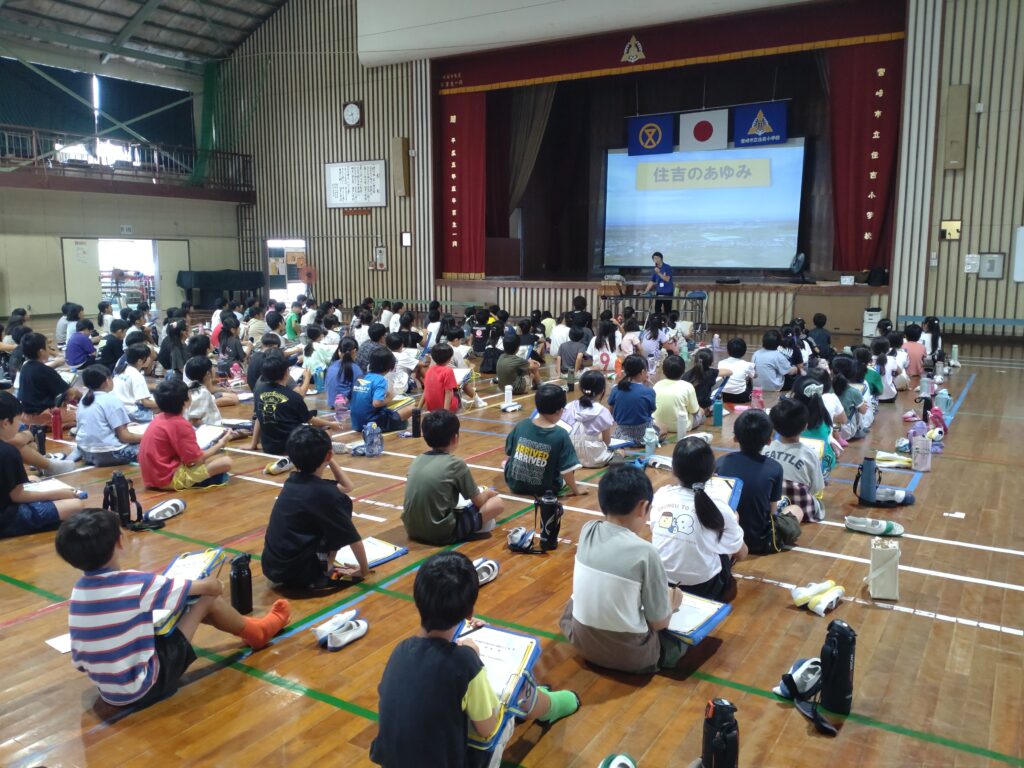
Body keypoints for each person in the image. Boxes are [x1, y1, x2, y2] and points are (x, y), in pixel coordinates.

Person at [57, 507, 291, 707]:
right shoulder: (136, 584)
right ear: (120, 541)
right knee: (205, 599)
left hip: (108, 691)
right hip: (146, 685)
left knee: (180, 603)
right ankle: (257, 632)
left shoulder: (78, 590)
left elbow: (80, 660)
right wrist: (214, 584)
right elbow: (206, 588)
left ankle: (251, 628)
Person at [371, 550, 579, 767]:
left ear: (417, 600)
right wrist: (472, 657)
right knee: (511, 697)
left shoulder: (400, 650)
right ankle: (546, 705)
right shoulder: (465, 663)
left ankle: (539, 702)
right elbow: (487, 729)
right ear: (469, 613)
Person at [560, 464, 685, 673]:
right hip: (632, 657)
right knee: (676, 643)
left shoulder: (587, 530)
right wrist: (672, 603)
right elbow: (659, 623)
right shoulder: (646, 552)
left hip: (580, 643)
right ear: (643, 507)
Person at [262, 426, 369, 588]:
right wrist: (363, 571)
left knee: (337, 502)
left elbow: (347, 486)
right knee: (344, 502)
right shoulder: (326, 494)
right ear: (329, 455)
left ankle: (325, 564)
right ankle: (327, 566)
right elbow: (354, 540)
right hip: (299, 575)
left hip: (272, 567)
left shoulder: (292, 482)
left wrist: (328, 455)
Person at [650, 437, 747, 602]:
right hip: (705, 588)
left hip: (661, 583)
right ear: (712, 471)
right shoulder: (719, 506)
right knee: (727, 532)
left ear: (674, 470)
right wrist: (734, 522)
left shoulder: (662, 495)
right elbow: (742, 553)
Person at [403, 410, 503, 545]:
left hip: (411, 529)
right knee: (497, 503)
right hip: (441, 533)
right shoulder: (456, 464)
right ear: (455, 438)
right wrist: (488, 493)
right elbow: (479, 501)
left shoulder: (417, 460)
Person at [0, 392, 84, 538]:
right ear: (6, 423)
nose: (20, 426)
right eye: (18, 421)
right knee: (76, 505)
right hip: (6, 518)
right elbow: (17, 496)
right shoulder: (8, 452)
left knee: (33, 479)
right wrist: (59, 493)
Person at [717, 410, 792, 555]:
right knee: (795, 510)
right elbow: (772, 513)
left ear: (735, 438)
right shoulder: (775, 468)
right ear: (769, 440)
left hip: (725, 540)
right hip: (759, 542)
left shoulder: (720, 462)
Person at [139, 378, 233, 490]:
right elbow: (196, 460)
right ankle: (199, 481)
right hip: (167, 480)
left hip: (151, 478)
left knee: (213, 456)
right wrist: (221, 443)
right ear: (185, 401)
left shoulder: (159, 418)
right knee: (226, 462)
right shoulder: (181, 424)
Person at [504, 384, 585, 497]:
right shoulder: (561, 434)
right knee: (570, 466)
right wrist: (576, 491)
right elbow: (567, 471)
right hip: (545, 489)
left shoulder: (522, 424)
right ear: (560, 411)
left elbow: (509, 452)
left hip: (514, 484)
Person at [251, 351, 339, 454]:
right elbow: (310, 420)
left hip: (269, 448)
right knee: (325, 429)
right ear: (286, 373)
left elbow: (258, 417)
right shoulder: (293, 396)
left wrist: (253, 444)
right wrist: (331, 424)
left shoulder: (258, 391)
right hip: (293, 446)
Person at [764, 398, 825, 522]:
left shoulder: (765, 449)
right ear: (805, 426)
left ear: (773, 426)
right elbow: (816, 488)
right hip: (802, 507)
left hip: (768, 504)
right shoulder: (810, 454)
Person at [75, 365, 143, 467]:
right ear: (107, 380)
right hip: (108, 454)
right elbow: (125, 437)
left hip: (84, 451)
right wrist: (147, 436)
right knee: (151, 447)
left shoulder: (85, 398)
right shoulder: (112, 400)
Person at [561, 370, 620, 467]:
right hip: (595, 458)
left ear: (581, 388)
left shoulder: (569, 406)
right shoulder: (602, 411)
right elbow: (607, 442)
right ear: (602, 390)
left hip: (571, 456)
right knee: (620, 451)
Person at [349, 348, 416, 433]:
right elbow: (376, 403)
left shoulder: (361, 377)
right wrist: (390, 398)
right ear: (389, 365)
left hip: (356, 423)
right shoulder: (381, 380)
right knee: (412, 409)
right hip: (372, 423)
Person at [18, 332, 77, 425]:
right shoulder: (45, 370)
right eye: (48, 347)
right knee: (82, 415)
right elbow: (71, 392)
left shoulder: (25, 367)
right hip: (42, 416)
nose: (49, 350)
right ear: (41, 351)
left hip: (24, 415)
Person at [609, 354, 660, 443]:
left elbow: (610, 412)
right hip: (644, 434)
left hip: (622, 434)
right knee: (663, 427)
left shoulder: (616, 389)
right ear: (642, 372)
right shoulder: (649, 391)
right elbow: (651, 411)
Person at [653, 354, 700, 434]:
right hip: (681, 427)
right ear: (683, 371)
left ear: (663, 371)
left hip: (659, 426)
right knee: (701, 412)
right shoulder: (688, 386)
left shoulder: (657, 384)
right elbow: (694, 411)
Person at [112, 344, 157, 423]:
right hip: (131, 412)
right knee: (165, 411)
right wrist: (166, 404)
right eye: (148, 357)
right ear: (140, 361)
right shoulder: (137, 375)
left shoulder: (121, 369)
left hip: (118, 409)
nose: (150, 359)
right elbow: (146, 403)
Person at [184, 357, 226, 427]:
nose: (215, 369)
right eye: (213, 367)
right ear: (208, 373)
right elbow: (193, 421)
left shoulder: (190, 388)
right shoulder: (202, 392)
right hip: (210, 430)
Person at [326, 337, 361, 413]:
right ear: (355, 351)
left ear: (339, 351)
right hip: (346, 406)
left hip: (331, 403)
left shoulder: (332, 365)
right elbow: (359, 390)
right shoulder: (355, 368)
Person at [718, 338, 756, 403]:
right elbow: (754, 376)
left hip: (724, 396)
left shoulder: (721, 363)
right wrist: (753, 370)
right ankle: (750, 396)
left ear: (728, 351)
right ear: (744, 351)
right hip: (741, 397)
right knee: (749, 377)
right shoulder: (747, 364)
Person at [871, 337, 901, 404]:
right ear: (888, 349)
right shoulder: (891, 359)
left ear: (872, 348)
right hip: (890, 397)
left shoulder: (868, 360)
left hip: (872, 397)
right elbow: (899, 372)